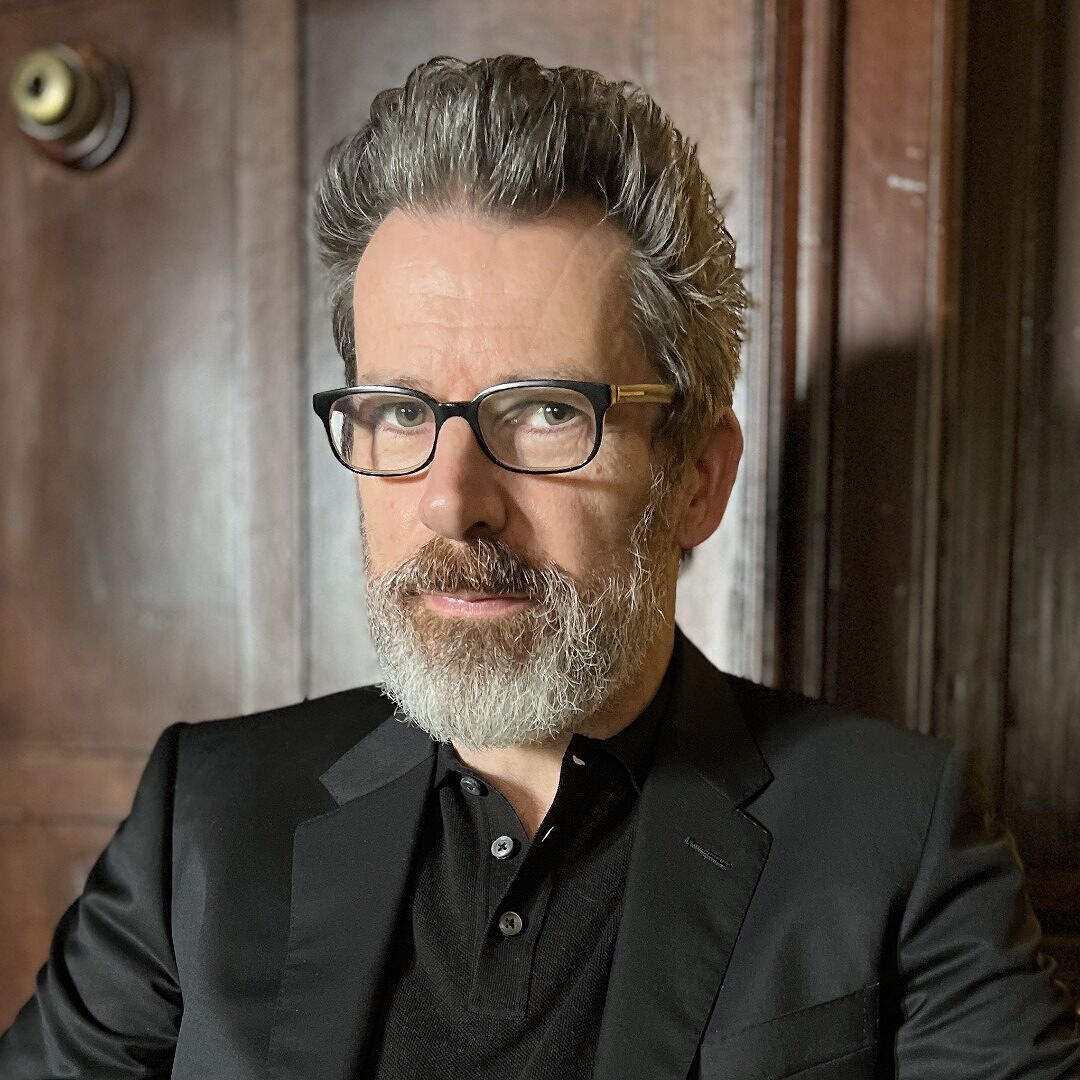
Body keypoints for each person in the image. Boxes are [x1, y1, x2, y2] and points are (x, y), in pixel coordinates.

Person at [1, 53, 1078, 1080]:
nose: (450, 501)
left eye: (547, 412)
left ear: (698, 479)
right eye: (399, 412)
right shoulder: (206, 818)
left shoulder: (899, 835)